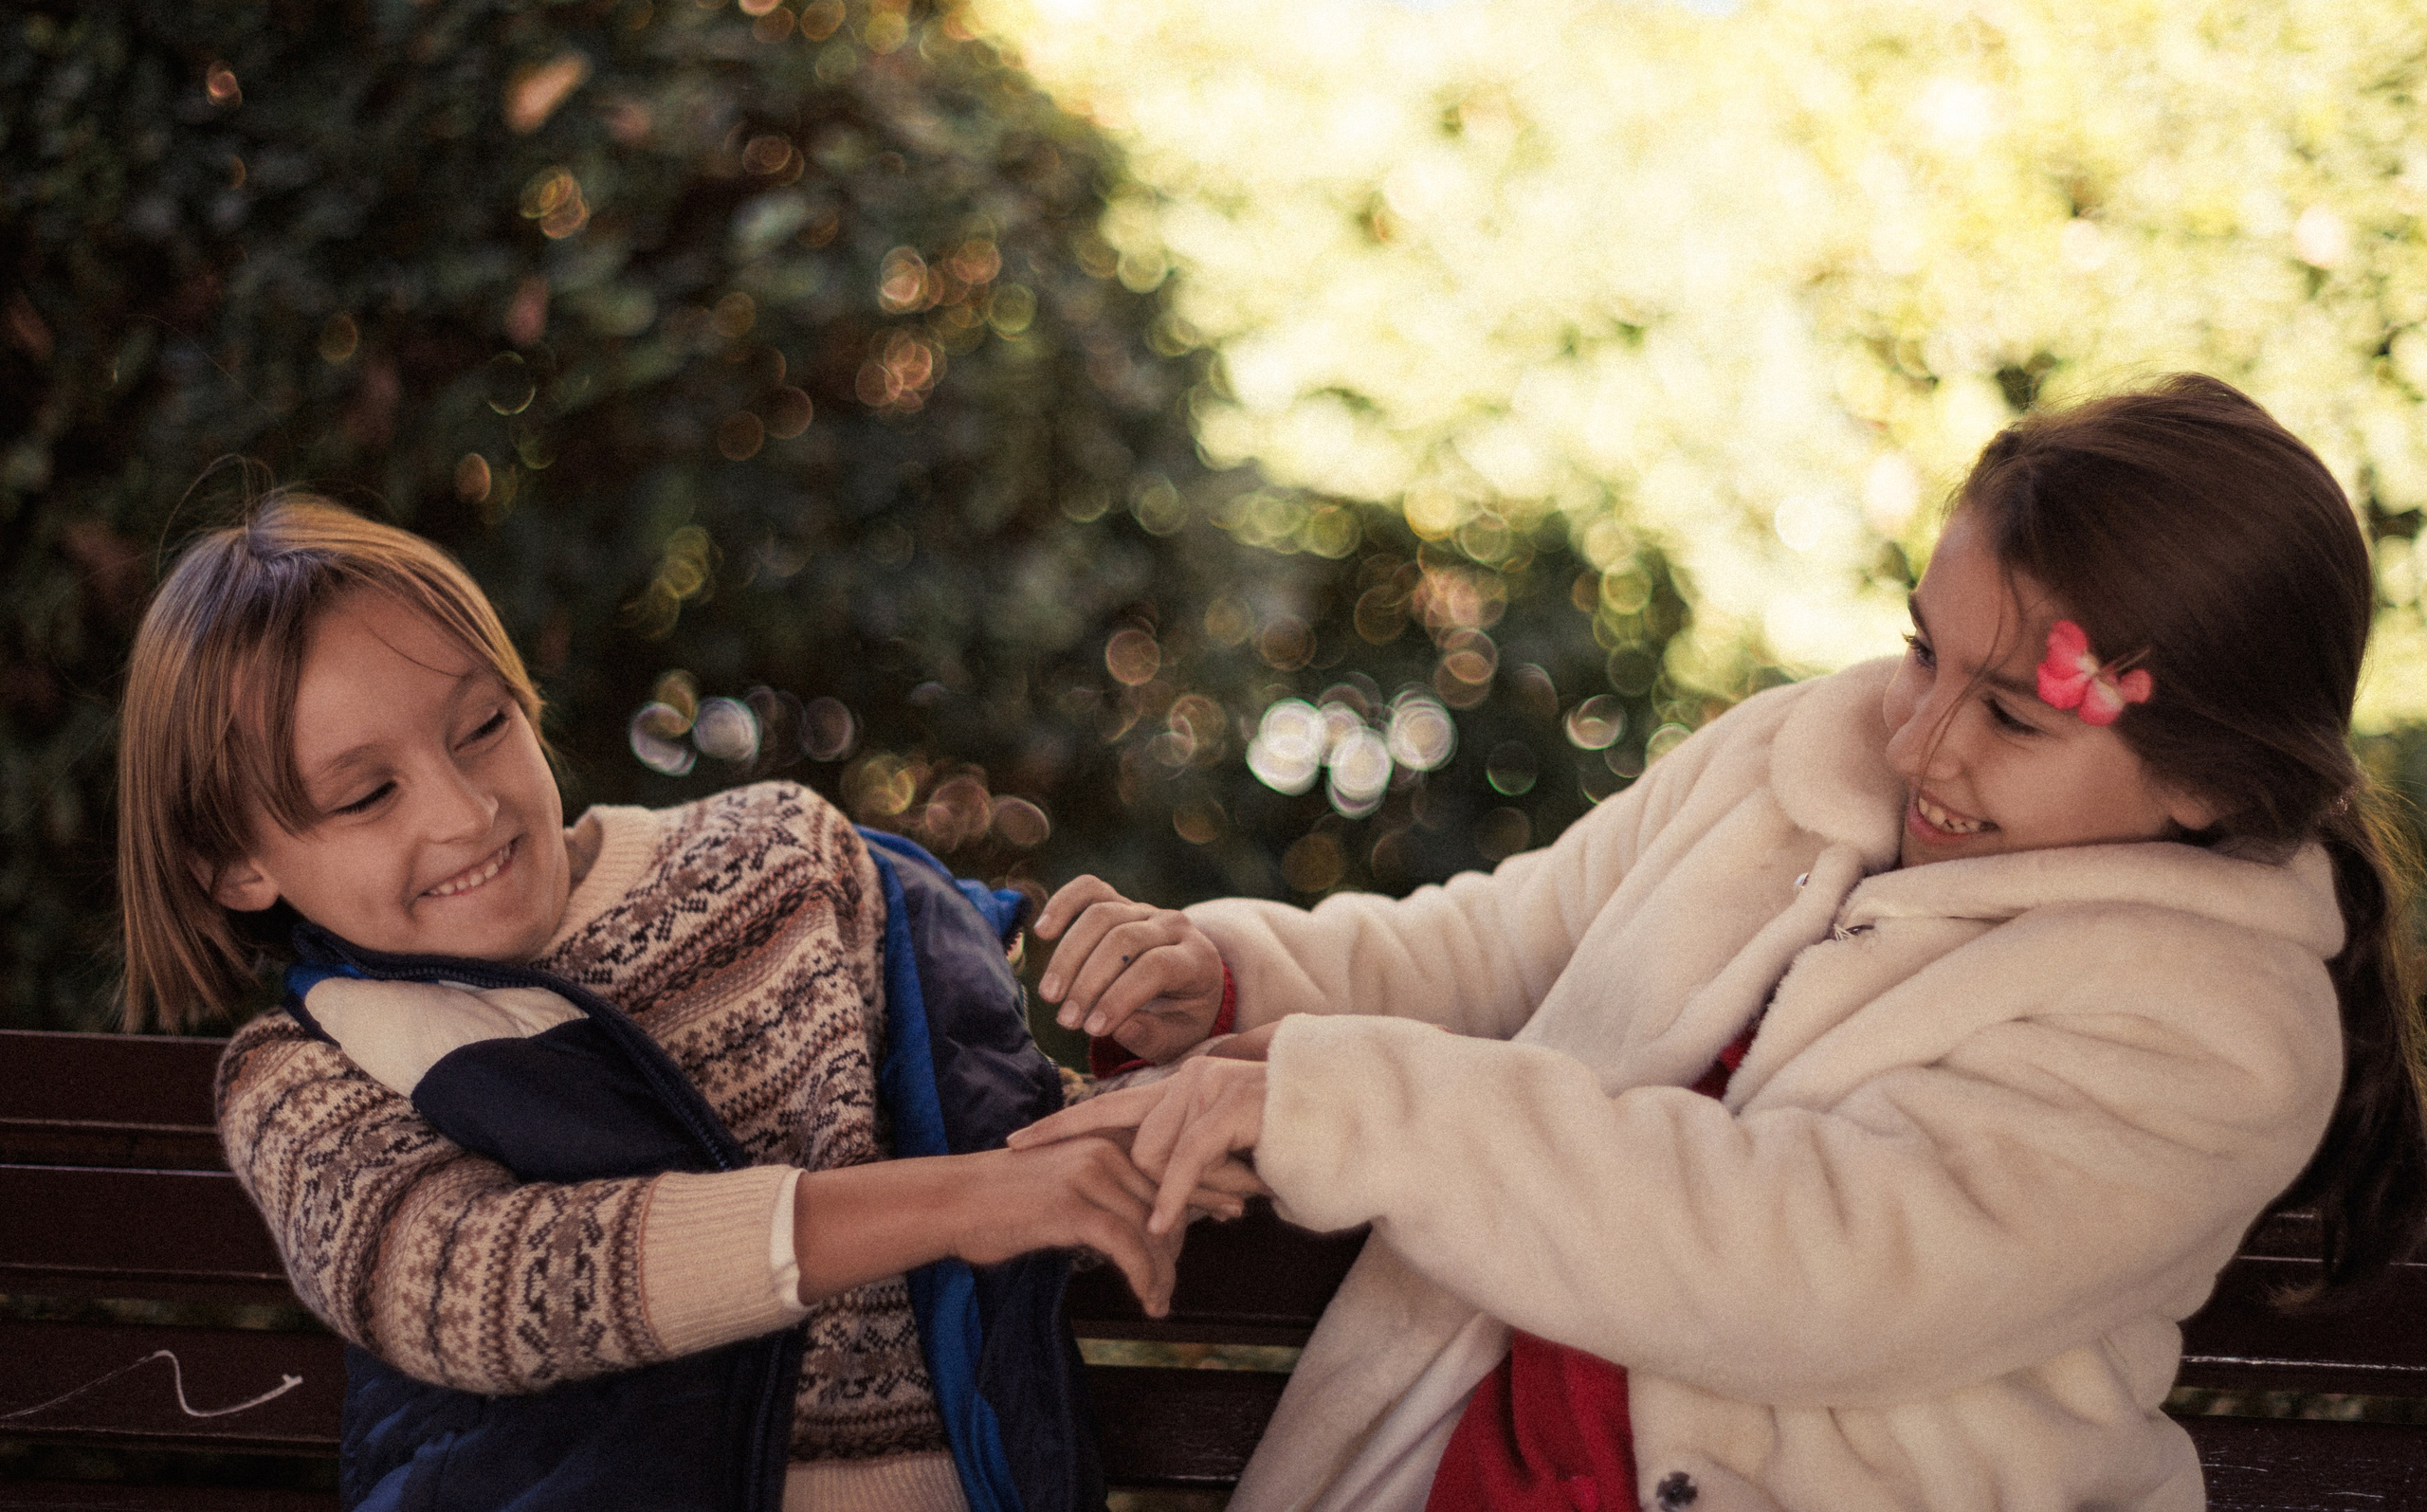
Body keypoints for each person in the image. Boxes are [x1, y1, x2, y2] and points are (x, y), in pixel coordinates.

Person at [1013, 373, 2427, 1512]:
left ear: (2214, 783)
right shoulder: (1796, 759)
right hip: (1477, 1459)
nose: (1919, 735)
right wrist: (1239, 981)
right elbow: (1514, 942)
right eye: (1925, 649)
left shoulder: (2212, 1034)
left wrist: (1356, 1104)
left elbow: (1805, 1255)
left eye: (2013, 717)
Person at [115, 493, 1241, 1512]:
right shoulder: (306, 1072)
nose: (466, 813)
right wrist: (960, 1202)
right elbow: (473, 1283)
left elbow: (1037, 1167)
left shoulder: (783, 865)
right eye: (367, 794)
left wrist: (1188, 1069)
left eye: (483, 726)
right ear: (231, 863)